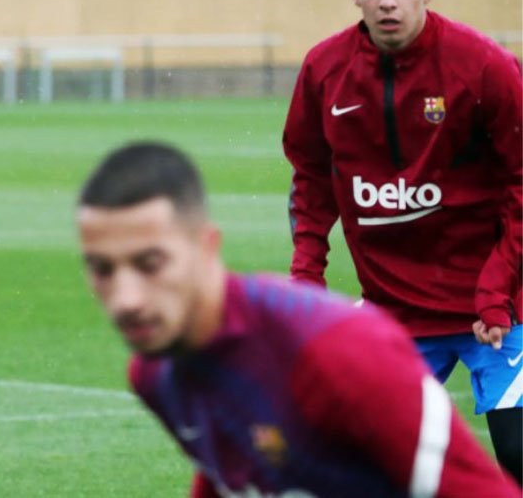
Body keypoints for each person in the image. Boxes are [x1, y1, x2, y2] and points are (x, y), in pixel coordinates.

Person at [76, 142, 519, 497]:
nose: (126, 299)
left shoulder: (341, 353)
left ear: (207, 246)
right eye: (102, 268)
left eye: (150, 263)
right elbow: (229, 472)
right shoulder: (155, 372)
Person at [282, 0, 522, 482]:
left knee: (518, 456)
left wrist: (497, 289)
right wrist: (306, 282)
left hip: (500, 308)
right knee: (350, 460)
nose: (387, 0)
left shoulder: (485, 66)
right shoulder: (324, 70)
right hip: (394, 312)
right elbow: (312, 181)